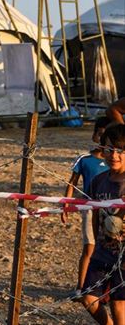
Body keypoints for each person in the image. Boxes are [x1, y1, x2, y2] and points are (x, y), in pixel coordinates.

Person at [81, 124, 125, 325]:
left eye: (120, 150)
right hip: (103, 252)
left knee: (118, 304)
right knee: (88, 297)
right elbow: (95, 213)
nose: (113, 155)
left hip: (124, 255)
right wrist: (97, 242)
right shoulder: (99, 181)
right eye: (109, 149)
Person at [62, 117, 110, 299]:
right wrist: (66, 204)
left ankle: (105, 290)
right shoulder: (84, 159)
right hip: (89, 208)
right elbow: (72, 183)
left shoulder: (116, 161)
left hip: (111, 210)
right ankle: (81, 288)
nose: (104, 139)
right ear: (94, 135)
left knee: (109, 249)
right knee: (89, 248)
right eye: (101, 134)